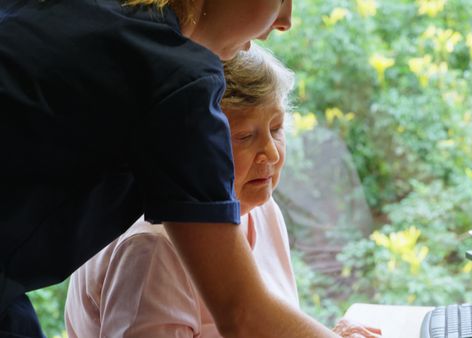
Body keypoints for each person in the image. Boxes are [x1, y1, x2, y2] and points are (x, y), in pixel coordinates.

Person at [0, 0, 364, 337]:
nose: (285, 20)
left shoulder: (97, 16)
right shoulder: (177, 78)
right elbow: (242, 313)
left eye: (276, 129)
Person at [64, 45, 381, 338]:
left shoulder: (261, 209)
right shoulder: (152, 245)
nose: (270, 154)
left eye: (276, 128)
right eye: (245, 136)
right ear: (195, 141)